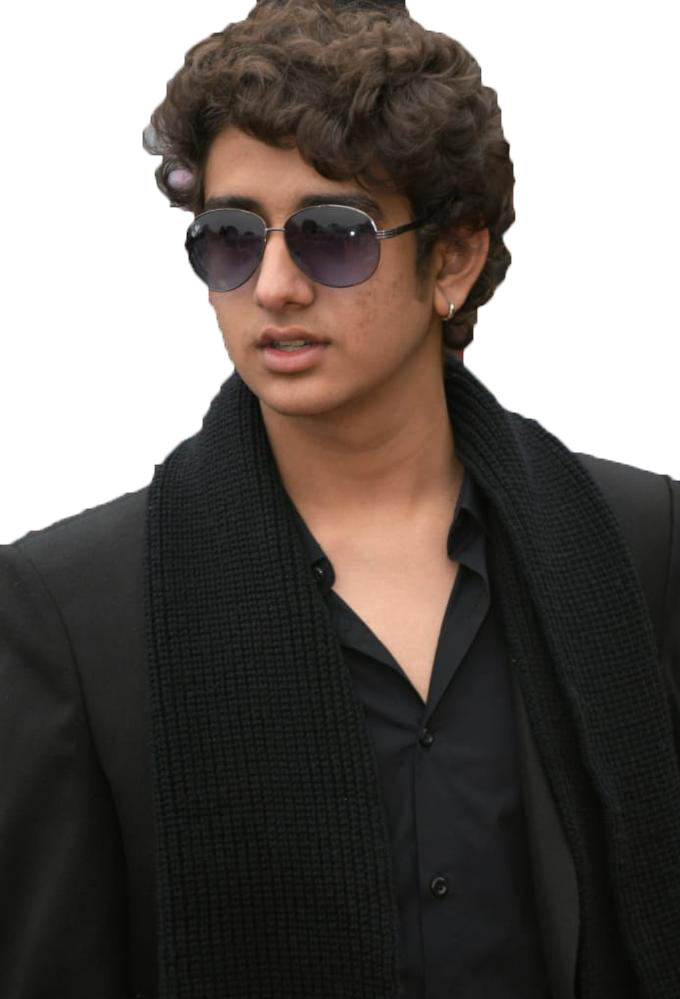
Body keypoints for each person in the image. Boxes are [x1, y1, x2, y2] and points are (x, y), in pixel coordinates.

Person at [1, 1, 679, 997]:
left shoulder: (640, 545)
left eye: (331, 234)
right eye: (230, 237)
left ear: (451, 260)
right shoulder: (65, 615)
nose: (274, 285)